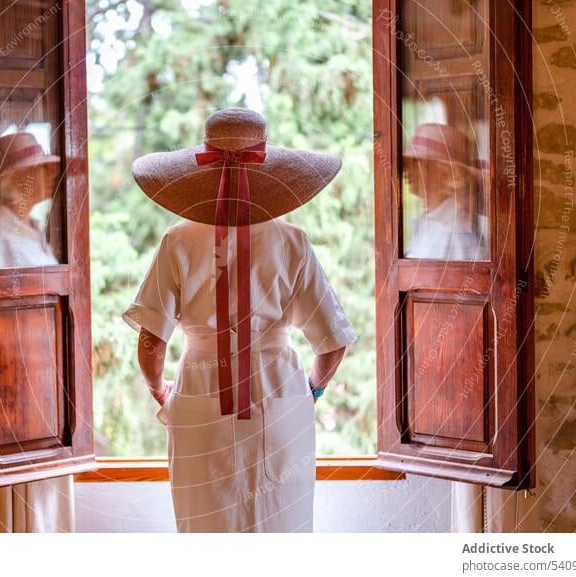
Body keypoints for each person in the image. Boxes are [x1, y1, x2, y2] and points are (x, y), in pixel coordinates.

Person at [122, 108, 359, 532]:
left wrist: (159, 389)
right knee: (282, 529)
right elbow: (332, 344)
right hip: (279, 389)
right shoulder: (292, 242)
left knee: (206, 530)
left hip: (200, 387)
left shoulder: (177, 240)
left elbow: (151, 342)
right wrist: (313, 390)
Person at [402, 123, 488, 261]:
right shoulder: (430, 224)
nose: (407, 170)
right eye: (407, 163)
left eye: (416, 161)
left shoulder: (455, 233)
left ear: (444, 171)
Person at [0, 131, 61, 269]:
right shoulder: (1, 239)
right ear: (18, 178)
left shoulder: (29, 228)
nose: (52, 174)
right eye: (44, 168)